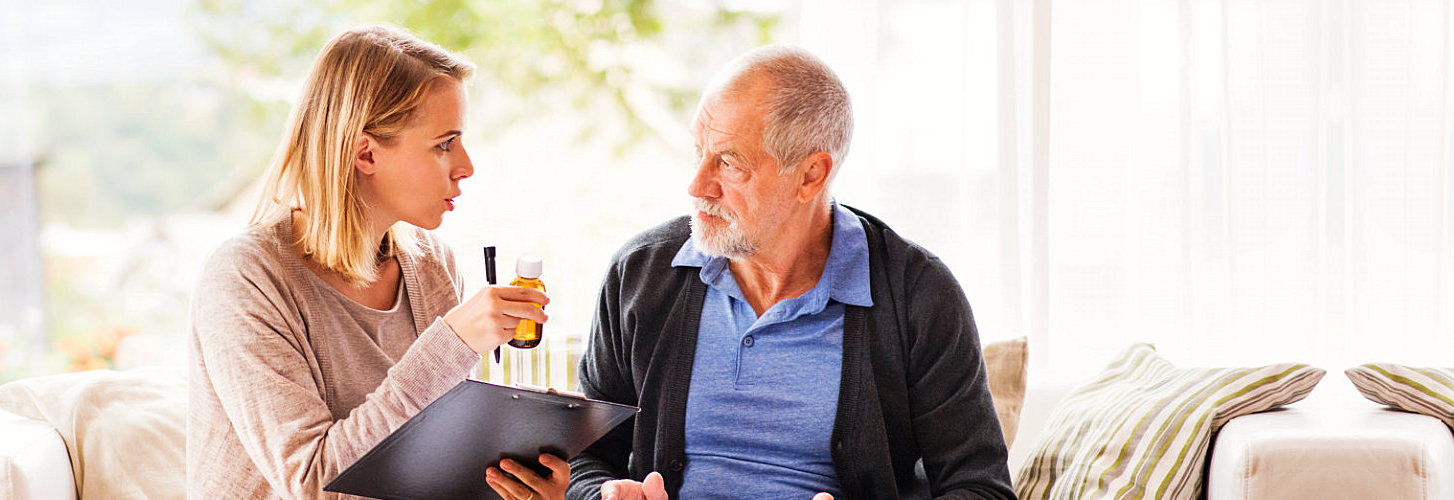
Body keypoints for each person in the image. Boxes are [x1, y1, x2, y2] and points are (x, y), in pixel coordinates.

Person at [567, 45, 1017, 500]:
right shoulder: (640, 274)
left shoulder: (919, 295)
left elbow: (981, 488)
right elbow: (585, 456)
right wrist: (602, 496)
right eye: (698, 151)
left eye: (729, 162)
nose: (697, 185)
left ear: (811, 176)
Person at [186, 25, 566, 500]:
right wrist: (450, 344)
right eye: (444, 143)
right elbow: (315, 485)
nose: (466, 165)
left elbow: (429, 462)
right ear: (366, 152)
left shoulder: (432, 267)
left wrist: (517, 481)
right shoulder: (247, 278)